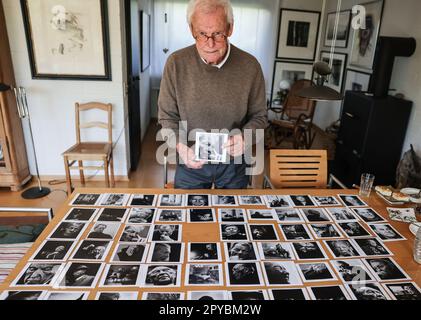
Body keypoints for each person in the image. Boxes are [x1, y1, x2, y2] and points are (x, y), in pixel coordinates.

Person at [158, 0, 268, 189]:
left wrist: (245, 137)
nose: (210, 43)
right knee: (188, 217)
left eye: (217, 33)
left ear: (230, 28)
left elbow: (260, 116)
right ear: (192, 30)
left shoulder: (251, 66)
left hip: (234, 164)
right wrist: (180, 147)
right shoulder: (175, 63)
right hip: (190, 160)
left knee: (233, 217)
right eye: (202, 34)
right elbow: (166, 117)